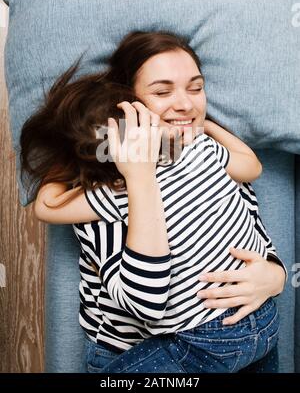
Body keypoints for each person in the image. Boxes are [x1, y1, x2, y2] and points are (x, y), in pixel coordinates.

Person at [20, 30, 286, 373]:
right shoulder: (192, 155)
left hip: (217, 329)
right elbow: (250, 165)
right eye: (162, 91)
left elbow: (46, 205)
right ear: (126, 104)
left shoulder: (187, 156)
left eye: (196, 87)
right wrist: (192, 137)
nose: (186, 105)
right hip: (205, 335)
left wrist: (274, 275)